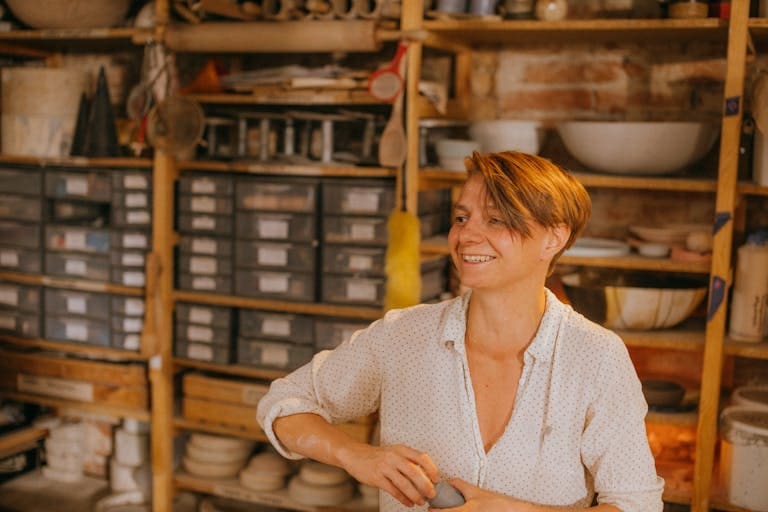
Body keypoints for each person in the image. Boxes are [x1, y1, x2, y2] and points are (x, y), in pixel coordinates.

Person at [257, 151, 664, 511]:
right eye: (462, 217)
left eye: (496, 219)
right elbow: (285, 402)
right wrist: (355, 456)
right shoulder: (404, 336)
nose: (466, 235)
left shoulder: (595, 356)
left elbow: (637, 504)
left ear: (553, 239)